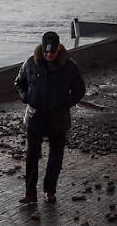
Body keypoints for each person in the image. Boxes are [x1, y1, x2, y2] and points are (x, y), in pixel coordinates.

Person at [14, 31, 86, 204]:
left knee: (56, 157)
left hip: (58, 118)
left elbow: (79, 89)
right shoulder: (30, 63)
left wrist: (65, 103)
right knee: (32, 155)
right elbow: (19, 83)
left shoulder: (70, 66)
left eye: (52, 52)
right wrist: (26, 98)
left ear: (58, 48)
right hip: (34, 117)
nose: (48, 55)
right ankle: (30, 193)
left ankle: (50, 190)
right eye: (46, 52)